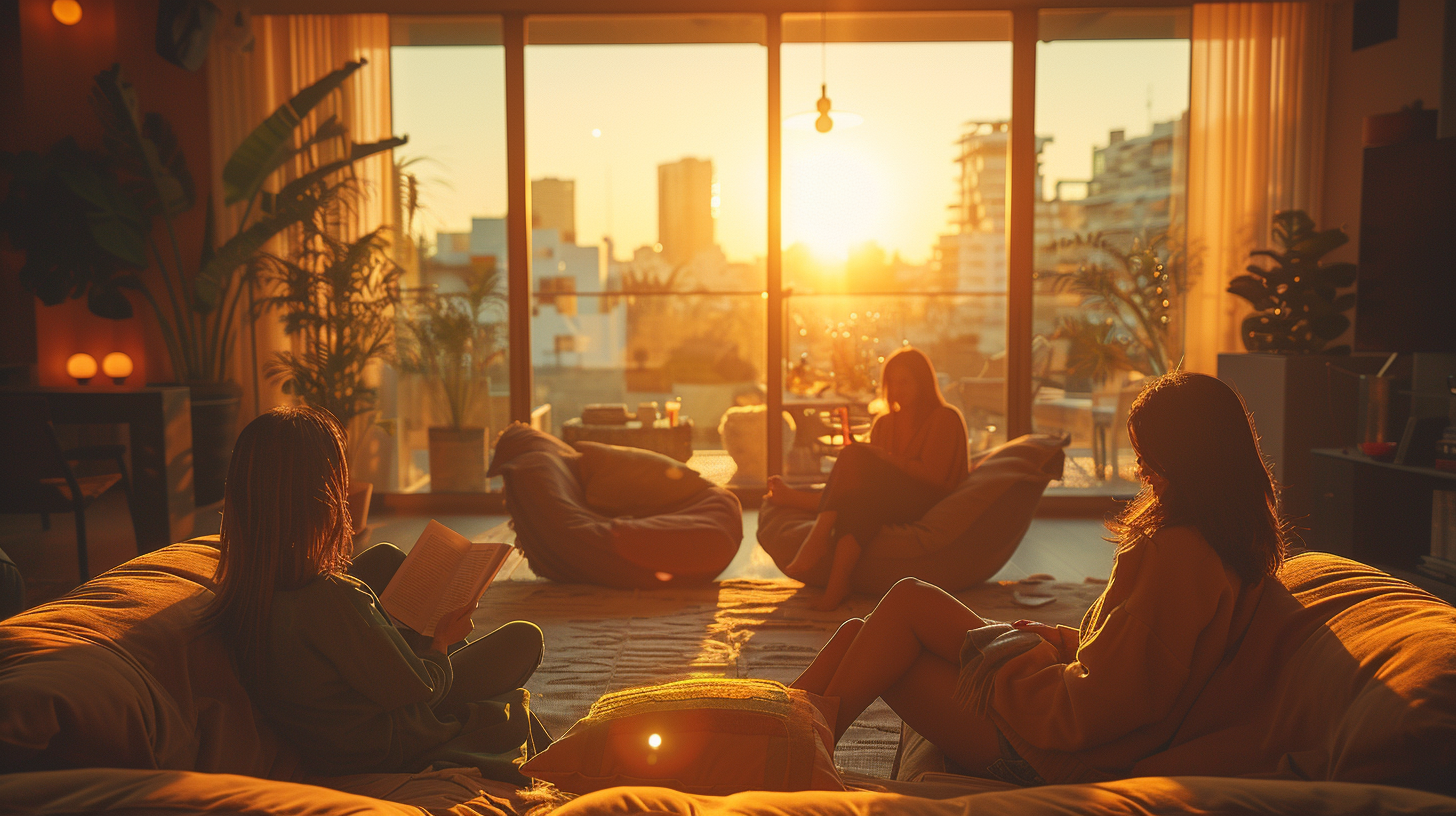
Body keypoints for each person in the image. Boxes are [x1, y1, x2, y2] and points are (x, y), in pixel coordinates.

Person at [789, 372, 1287, 785]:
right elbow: (1142, 662)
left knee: (901, 612)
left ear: (1188, 455)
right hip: (1079, 734)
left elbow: (1096, 709)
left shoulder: (1176, 554)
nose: (1142, 469)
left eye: (1149, 455)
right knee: (864, 631)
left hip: (1059, 754)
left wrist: (1022, 660)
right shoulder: (1227, 546)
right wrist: (1066, 640)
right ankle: (775, 726)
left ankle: (785, 756)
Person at [204, 405, 548, 782]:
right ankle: (445, 648)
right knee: (523, 638)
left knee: (386, 558)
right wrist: (441, 643)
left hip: (336, 718)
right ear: (322, 497)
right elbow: (423, 688)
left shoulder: (246, 585)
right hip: (386, 739)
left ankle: (422, 639)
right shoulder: (333, 598)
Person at [767, 347, 968, 610]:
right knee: (859, 502)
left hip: (926, 500)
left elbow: (934, 476)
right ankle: (837, 587)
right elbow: (865, 484)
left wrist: (884, 458)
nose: (897, 389)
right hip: (888, 501)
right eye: (892, 383)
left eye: (905, 382)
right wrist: (877, 459)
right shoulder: (885, 423)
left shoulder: (944, 417)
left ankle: (814, 534)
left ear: (923, 383)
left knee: (854, 455)